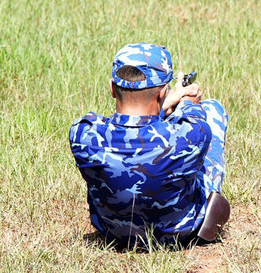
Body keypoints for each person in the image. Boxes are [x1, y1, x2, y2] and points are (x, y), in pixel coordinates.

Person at [69, 43, 230, 248]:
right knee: (213, 109)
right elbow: (198, 121)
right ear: (162, 93)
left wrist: (163, 106)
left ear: (112, 88)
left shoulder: (82, 134)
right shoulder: (190, 135)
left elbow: (126, 128)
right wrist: (187, 100)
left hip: (113, 232)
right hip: (179, 233)